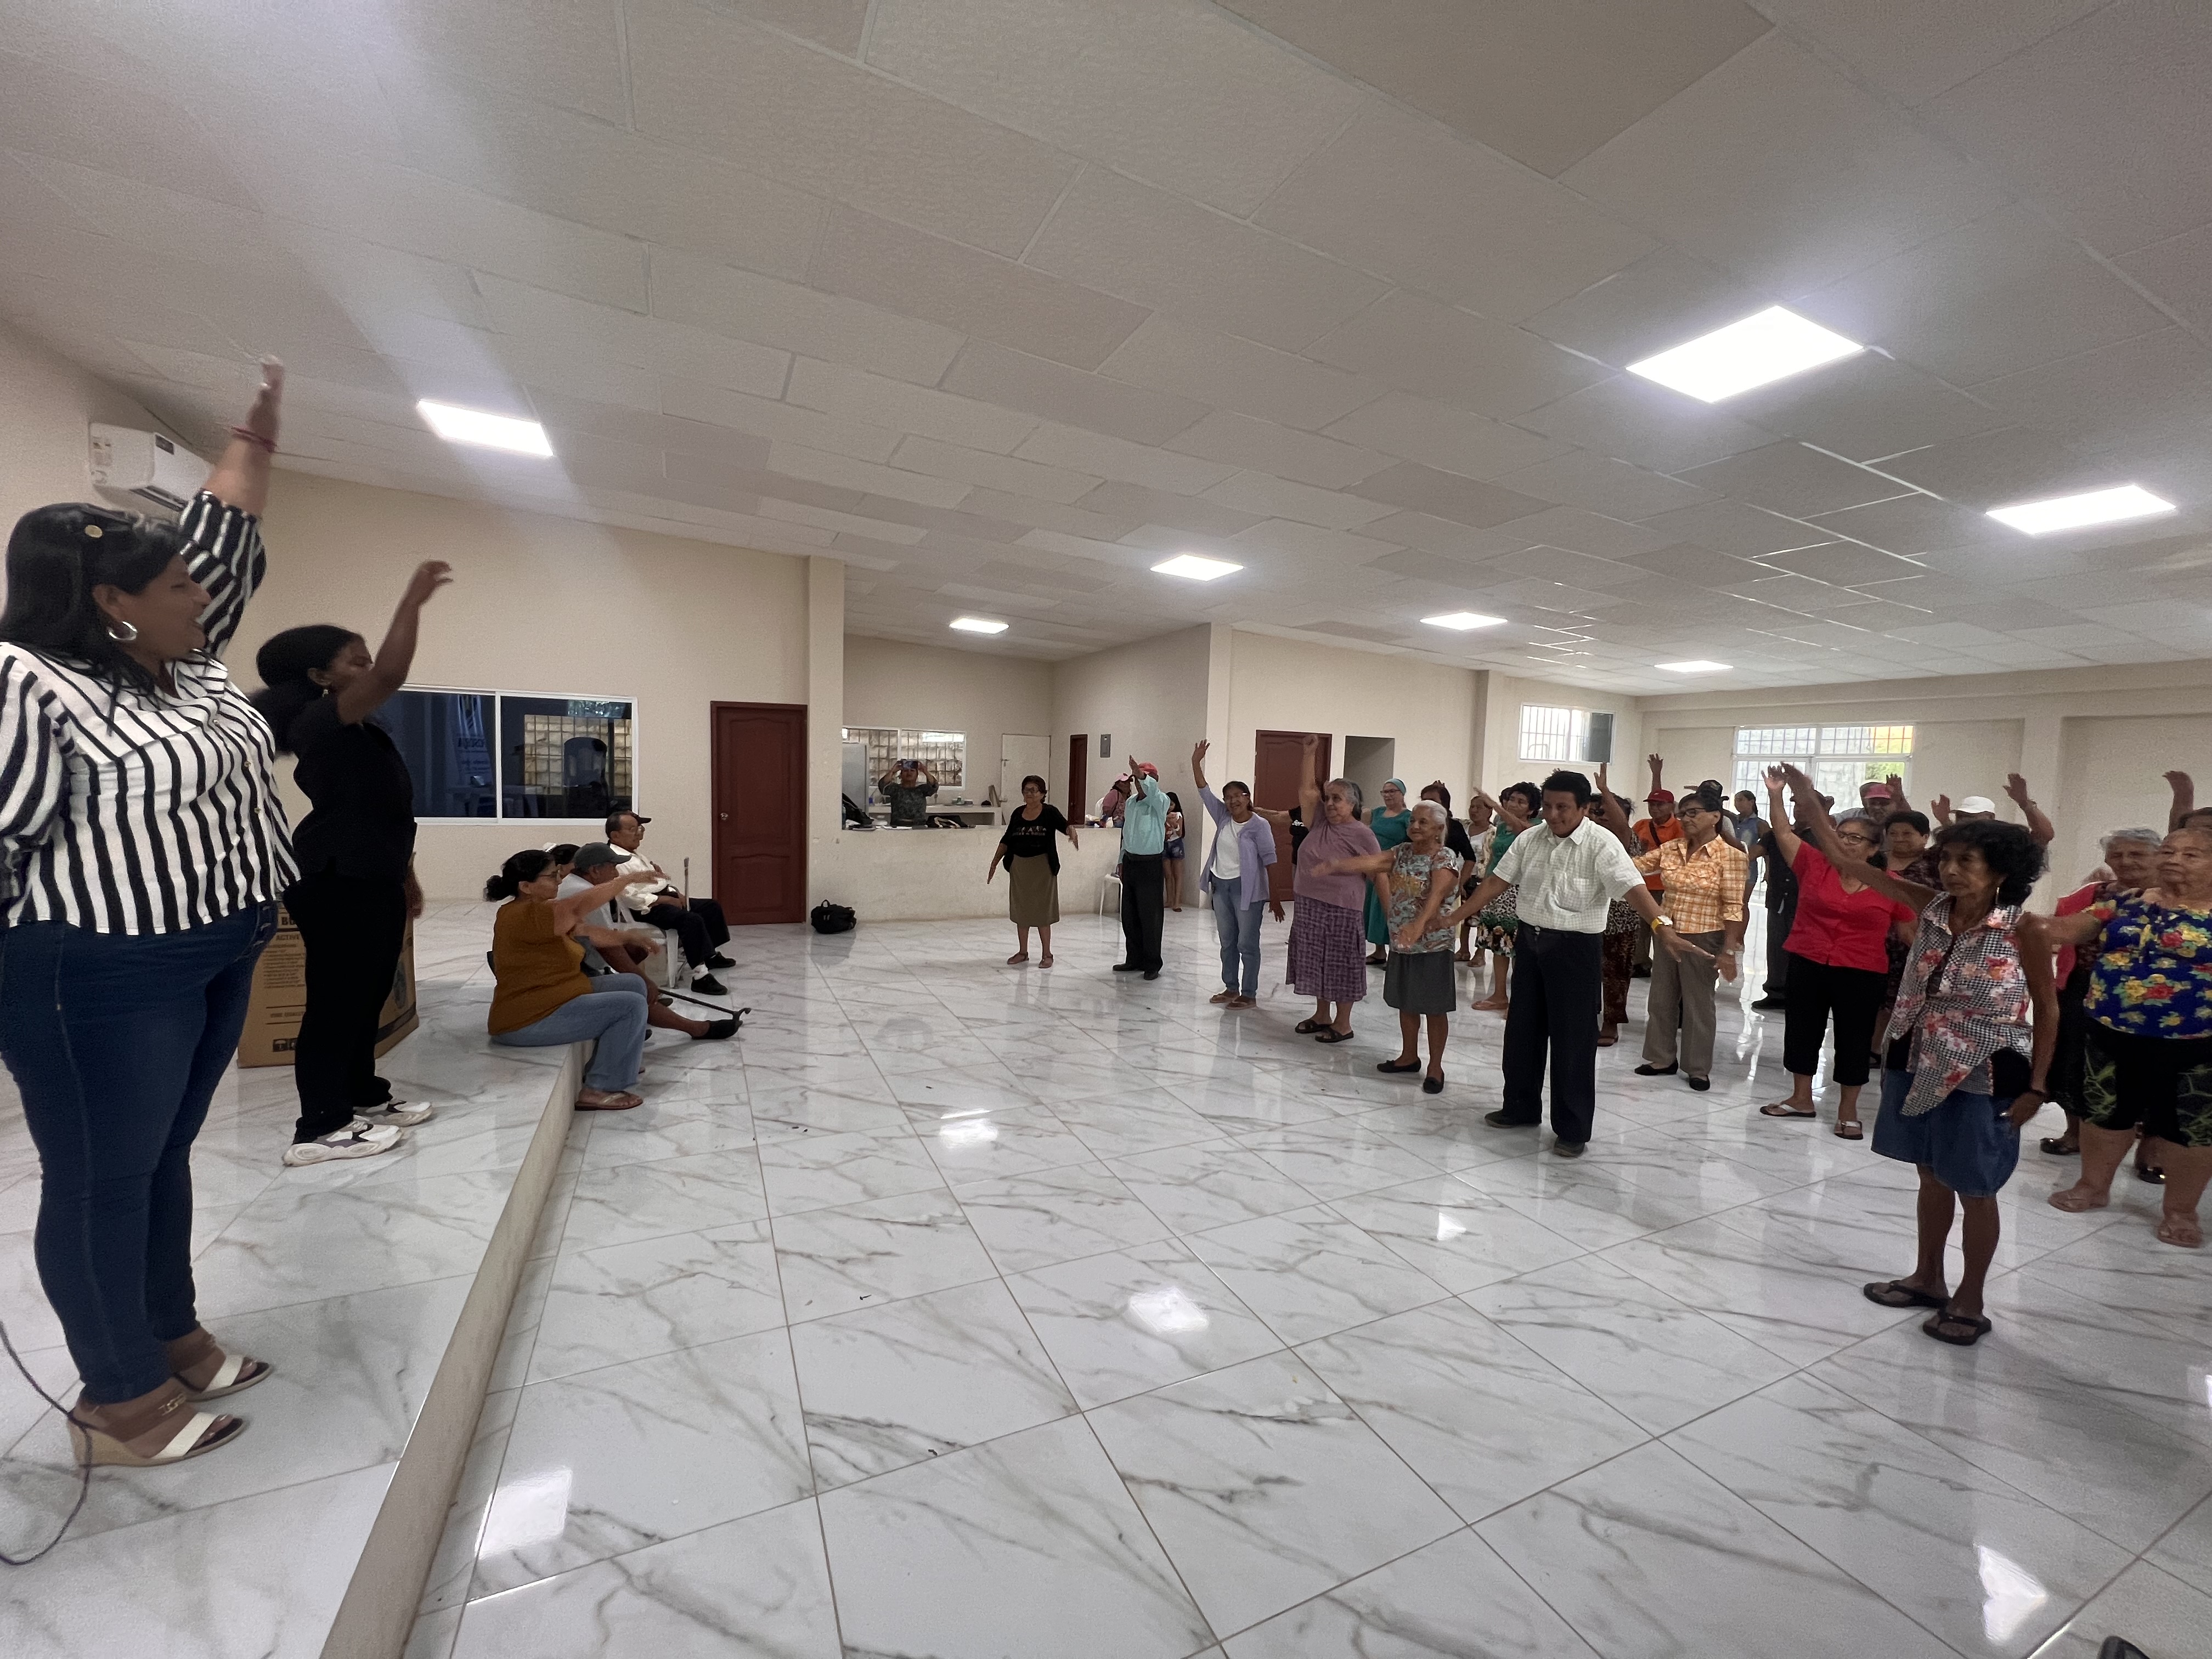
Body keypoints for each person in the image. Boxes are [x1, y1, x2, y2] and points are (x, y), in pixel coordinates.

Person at [0, 362, 288, 1468]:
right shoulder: (28, 682)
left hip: (216, 946)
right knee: (100, 1177)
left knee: (163, 1157)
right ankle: (119, 1397)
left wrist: (253, 442)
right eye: (175, 586)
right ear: (111, 602)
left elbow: (223, 538)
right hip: (96, 971)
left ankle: (172, 1333)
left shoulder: (187, 664)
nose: (201, 595)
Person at [1778, 770, 2055, 1348]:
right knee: (1930, 1174)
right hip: (1917, 1053)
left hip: (1985, 1068)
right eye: (1947, 858)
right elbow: (1845, 860)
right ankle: (1928, 1277)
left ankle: (1971, 1298)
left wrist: (2039, 1088)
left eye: (1967, 862)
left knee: (1976, 1185)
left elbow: (2049, 1010)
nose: (1951, 870)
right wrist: (1803, 795)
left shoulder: (2022, 928)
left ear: (2001, 872)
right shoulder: (1928, 906)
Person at [253, 561, 452, 1167]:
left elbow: (387, 812)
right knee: (336, 1002)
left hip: (373, 875)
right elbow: (392, 672)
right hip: (336, 881)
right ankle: (320, 1125)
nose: (369, 671)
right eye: (356, 662)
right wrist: (412, 602)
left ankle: (363, 1094)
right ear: (320, 677)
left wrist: (405, 877)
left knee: (367, 995)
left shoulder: (360, 730)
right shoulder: (320, 720)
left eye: (367, 660)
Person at [1458, 770, 1711, 1157]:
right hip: (1531, 944)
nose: (1553, 815)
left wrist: (1663, 928)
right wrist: (1456, 916)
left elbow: (1633, 888)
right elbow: (1497, 882)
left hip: (1574, 950)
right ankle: (1520, 1107)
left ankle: (1573, 1128)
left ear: (1583, 809)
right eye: (1548, 806)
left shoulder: (1601, 843)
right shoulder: (1530, 838)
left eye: (1563, 807)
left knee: (1573, 1043)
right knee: (1522, 1033)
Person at [2027, 826, 2212, 1249]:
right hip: (2112, 1029)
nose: (2174, 860)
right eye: (2169, 851)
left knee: (2192, 1128)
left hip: (2197, 1041)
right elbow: (2067, 929)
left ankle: (2181, 1212)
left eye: (2191, 855)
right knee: (2105, 1112)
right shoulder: (2126, 902)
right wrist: (2021, 920)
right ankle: (2093, 1187)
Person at [1758, 775, 1917, 1138]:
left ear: (1873, 849)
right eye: (1841, 835)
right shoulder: (1814, 864)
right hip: (1808, 960)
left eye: (1855, 838)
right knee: (1802, 1032)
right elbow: (1782, 833)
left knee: (1854, 1040)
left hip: (1861, 972)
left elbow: (1910, 933)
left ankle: (1848, 1110)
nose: (1845, 842)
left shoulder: (1891, 885)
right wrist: (1777, 795)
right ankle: (1801, 1098)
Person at [1596, 787, 1746, 1090]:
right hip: (1667, 933)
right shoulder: (1672, 849)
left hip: (1705, 936)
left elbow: (1734, 907)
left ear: (1715, 817)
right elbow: (1634, 867)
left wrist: (1729, 950)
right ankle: (1661, 1058)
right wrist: (1603, 851)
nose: (1686, 819)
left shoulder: (1731, 856)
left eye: (1693, 813)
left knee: (1698, 1004)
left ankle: (1698, 1068)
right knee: (1661, 998)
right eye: (1682, 814)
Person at [1311, 801, 1464, 1091]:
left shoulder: (1443, 857)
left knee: (1434, 1008)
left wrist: (1418, 926)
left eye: (1423, 823)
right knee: (1406, 1002)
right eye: (1413, 821)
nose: (1415, 826)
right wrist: (1336, 865)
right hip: (1402, 943)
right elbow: (1374, 862)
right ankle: (1409, 1056)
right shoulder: (1402, 852)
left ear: (1438, 829)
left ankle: (1435, 1067)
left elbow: (1437, 896)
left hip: (1432, 945)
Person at [484, 849, 651, 1109]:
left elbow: (586, 931)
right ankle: (600, 1089)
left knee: (632, 983)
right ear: (526, 887)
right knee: (630, 1006)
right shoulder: (523, 915)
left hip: (557, 996)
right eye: (552, 876)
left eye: (558, 874)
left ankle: (614, 1060)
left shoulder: (541, 911)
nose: (560, 880)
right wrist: (625, 881)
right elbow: (579, 906)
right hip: (528, 1019)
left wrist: (629, 937)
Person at [2039, 828, 2164, 1168]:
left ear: (2159, 857)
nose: (2126, 861)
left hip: (2153, 1000)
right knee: (2072, 1061)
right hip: (2083, 987)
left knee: (2151, 1075)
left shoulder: (2174, 898)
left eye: (2137, 854)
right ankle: (2074, 1134)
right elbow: (2060, 929)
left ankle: (2151, 1151)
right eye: (2117, 855)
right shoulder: (2095, 894)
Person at [562, 844, 737, 1041]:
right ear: (595, 870)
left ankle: (641, 1015)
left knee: (636, 953)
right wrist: (645, 981)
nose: (616, 873)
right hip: (576, 971)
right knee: (636, 984)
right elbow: (608, 948)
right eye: (613, 867)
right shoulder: (586, 895)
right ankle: (696, 1028)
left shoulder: (574, 884)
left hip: (578, 962)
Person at [1267, 736, 1378, 1041]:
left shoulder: (1362, 834)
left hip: (1343, 910)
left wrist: (1389, 910)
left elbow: (1377, 872)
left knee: (1341, 963)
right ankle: (1321, 1014)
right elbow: (1307, 791)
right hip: (1309, 904)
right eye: (1328, 798)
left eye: (1337, 799)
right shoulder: (1318, 822)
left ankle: (1343, 1023)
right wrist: (1309, 754)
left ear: (1352, 804)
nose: (1329, 803)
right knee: (1316, 960)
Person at [1193, 740, 1283, 1008]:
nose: (1232, 801)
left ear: (1248, 798)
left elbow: (1271, 861)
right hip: (1221, 887)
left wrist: (1275, 897)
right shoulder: (1223, 816)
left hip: (1248, 891)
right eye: (1228, 797)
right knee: (1227, 941)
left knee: (1247, 943)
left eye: (1238, 796)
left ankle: (1249, 993)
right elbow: (1204, 791)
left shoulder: (1260, 826)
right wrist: (1196, 762)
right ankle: (1231, 987)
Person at [606, 811, 733, 996]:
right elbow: (629, 896)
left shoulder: (635, 854)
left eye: (639, 828)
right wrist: (665, 899)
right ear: (615, 835)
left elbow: (657, 880)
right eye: (632, 829)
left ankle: (709, 955)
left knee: (711, 907)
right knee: (691, 920)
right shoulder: (616, 860)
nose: (639, 833)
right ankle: (700, 976)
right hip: (646, 907)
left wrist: (675, 893)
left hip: (661, 896)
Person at [986, 774, 1077, 967]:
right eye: (1026, 790)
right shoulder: (1017, 813)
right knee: (1022, 912)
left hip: (1043, 868)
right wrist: (995, 861)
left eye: (1033, 790)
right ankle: (1023, 952)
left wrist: (1072, 832)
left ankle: (1047, 954)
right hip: (1020, 868)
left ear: (1042, 794)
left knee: (1042, 912)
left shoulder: (1049, 812)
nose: (1029, 793)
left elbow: (1065, 826)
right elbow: (1007, 839)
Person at [1466, 783, 1537, 1012]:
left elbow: (1522, 830)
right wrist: (1484, 890)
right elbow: (1494, 858)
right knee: (1499, 944)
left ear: (1531, 809)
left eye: (1521, 802)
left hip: (1517, 892)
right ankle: (1499, 995)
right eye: (1512, 799)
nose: (1513, 804)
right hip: (1496, 890)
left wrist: (1495, 805)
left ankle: (1520, 1001)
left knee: (1517, 948)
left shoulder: (1536, 827)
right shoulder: (1502, 826)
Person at [1113, 757, 1170, 980]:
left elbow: (1152, 791)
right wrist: (1121, 859)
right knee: (1130, 915)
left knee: (1150, 917)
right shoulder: (1131, 803)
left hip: (1150, 865)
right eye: (1136, 780)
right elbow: (1127, 834)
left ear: (1154, 780)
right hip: (1131, 862)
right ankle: (1134, 959)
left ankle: (1152, 963)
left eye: (1142, 779)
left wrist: (1141, 775)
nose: (1138, 784)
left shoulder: (1160, 801)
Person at [1363, 778, 1413, 966]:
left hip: (1394, 868)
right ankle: (1379, 951)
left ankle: (1395, 952)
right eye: (1385, 792)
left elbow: (1411, 842)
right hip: (1373, 868)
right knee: (1374, 910)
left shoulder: (1407, 817)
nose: (1388, 795)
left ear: (1402, 793)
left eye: (1392, 791)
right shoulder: (1376, 813)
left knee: (1391, 910)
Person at [879, 758, 938, 827]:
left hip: (919, 827)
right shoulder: (895, 789)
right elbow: (883, 786)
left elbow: (934, 785)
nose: (909, 773)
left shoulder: (922, 790)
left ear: (917, 775)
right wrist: (893, 771)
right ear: (901, 775)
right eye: (906, 771)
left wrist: (925, 771)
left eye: (912, 771)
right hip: (898, 827)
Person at [1163, 791, 1187, 913]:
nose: (1169, 807)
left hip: (1176, 844)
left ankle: (1177, 902)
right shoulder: (1162, 815)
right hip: (1165, 844)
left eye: (1171, 804)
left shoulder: (1178, 815)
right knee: (1168, 874)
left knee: (1178, 875)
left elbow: (1180, 833)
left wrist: (1175, 825)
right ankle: (1169, 900)